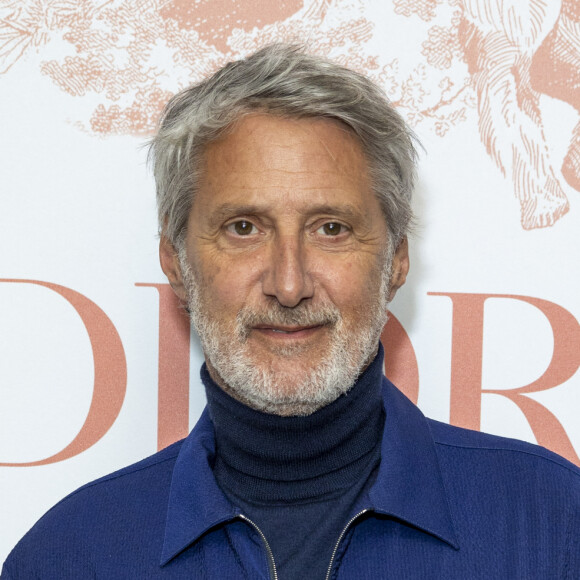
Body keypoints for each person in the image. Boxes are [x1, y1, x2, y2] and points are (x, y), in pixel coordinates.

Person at [2, 44, 579, 580]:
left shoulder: (551, 524)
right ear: (176, 262)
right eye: (243, 228)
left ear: (396, 260)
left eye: (331, 229)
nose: (288, 284)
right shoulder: (69, 555)